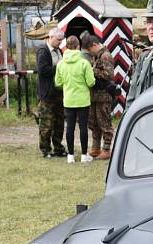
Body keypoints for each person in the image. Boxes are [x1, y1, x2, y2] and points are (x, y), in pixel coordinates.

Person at [54, 35, 95, 163]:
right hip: (83, 100)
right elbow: (91, 82)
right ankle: (84, 155)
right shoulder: (84, 63)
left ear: (66, 47)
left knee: (70, 128)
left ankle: (70, 155)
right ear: (78, 47)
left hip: (69, 100)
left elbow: (57, 83)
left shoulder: (61, 64)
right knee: (83, 127)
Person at [81, 33, 115, 160]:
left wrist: (91, 70)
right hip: (95, 95)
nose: (90, 53)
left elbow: (109, 74)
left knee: (105, 123)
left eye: (90, 50)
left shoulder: (105, 56)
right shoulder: (97, 56)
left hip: (104, 95)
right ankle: (95, 148)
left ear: (94, 45)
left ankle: (106, 149)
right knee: (94, 123)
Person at [36, 27, 67, 158]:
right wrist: (59, 68)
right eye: (58, 40)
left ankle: (58, 148)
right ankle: (45, 149)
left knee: (59, 123)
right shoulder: (43, 51)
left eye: (61, 40)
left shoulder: (59, 50)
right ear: (50, 37)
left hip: (59, 93)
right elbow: (43, 70)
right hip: (47, 93)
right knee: (46, 124)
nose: (60, 42)